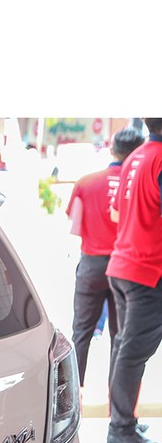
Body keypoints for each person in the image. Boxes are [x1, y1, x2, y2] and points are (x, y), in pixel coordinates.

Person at [67, 126, 145, 386]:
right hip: (126, 267)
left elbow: (75, 228)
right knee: (121, 336)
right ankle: (117, 399)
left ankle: (73, 397)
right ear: (138, 152)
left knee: (81, 333)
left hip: (91, 264)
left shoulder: (85, 182)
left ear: (112, 149)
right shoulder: (139, 185)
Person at [105, 118, 162, 443]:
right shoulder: (158, 158)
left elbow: (118, 212)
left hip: (124, 265)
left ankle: (123, 421)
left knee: (125, 348)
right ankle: (121, 427)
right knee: (132, 352)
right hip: (147, 270)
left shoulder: (135, 157)